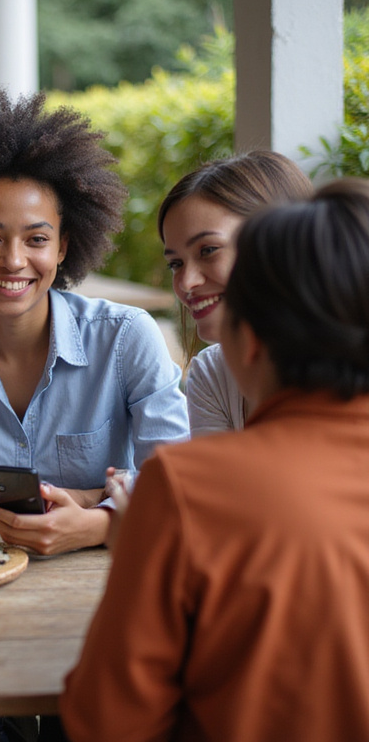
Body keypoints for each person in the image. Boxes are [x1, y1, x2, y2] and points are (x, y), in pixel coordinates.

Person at [0, 87, 189, 742]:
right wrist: (49, 501)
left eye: (36, 239)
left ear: (64, 246)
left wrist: (95, 522)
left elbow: (177, 484)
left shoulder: (127, 337)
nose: (13, 261)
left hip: (107, 593)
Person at [62, 178, 369, 741]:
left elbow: (108, 722)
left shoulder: (189, 487)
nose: (189, 284)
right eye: (177, 263)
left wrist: (141, 556)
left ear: (248, 339)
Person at [158, 151, 312, 435]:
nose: (187, 282)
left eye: (208, 250)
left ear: (278, 241)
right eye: (176, 264)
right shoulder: (212, 373)